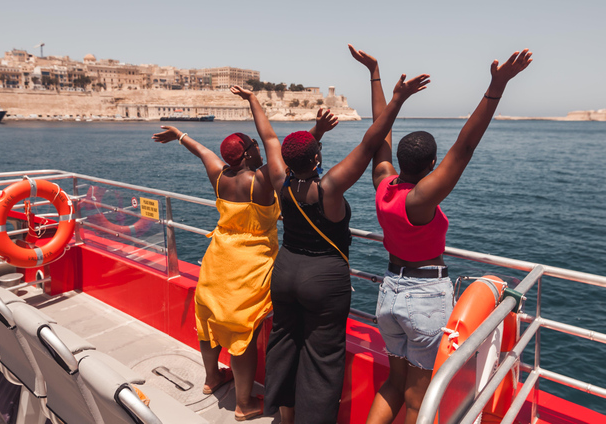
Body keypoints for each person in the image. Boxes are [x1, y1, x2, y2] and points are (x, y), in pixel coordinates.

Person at [232, 64, 429, 424]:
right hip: (324, 279)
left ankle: (285, 418)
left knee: (285, 345)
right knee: (322, 359)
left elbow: (269, 139)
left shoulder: (279, 179)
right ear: (318, 158)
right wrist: (397, 99)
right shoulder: (330, 187)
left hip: (286, 270)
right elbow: (371, 143)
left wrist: (253, 100)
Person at [348, 45, 533, 424]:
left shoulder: (384, 185)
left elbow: (381, 137)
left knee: (393, 384)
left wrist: (376, 75)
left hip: (389, 294)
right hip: (423, 299)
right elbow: (464, 148)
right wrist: (496, 87)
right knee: (418, 397)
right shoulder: (420, 200)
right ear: (432, 165)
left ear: (399, 163)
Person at [151, 110, 337, 421]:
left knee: (208, 318)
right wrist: (317, 130)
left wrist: (180, 136)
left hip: (217, 258)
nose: (258, 148)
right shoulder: (262, 179)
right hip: (249, 264)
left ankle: (211, 379)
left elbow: (203, 151)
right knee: (242, 332)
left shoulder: (219, 174)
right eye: (253, 145)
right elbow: (293, 156)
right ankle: (243, 403)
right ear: (249, 153)